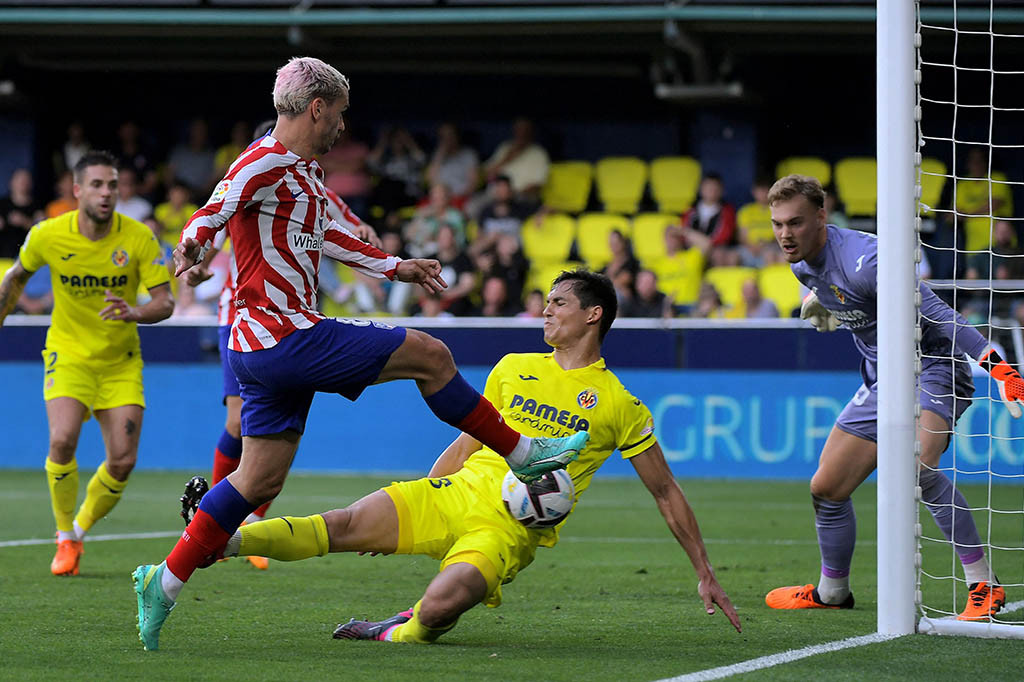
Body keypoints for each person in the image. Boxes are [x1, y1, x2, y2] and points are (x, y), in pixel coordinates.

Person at [133, 56, 587, 651]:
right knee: (429, 353)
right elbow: (215, 206)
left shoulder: (304, 175)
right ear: (316, 108)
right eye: (340, 114)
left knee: (258, 475)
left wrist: (399, 267)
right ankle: (526, 454)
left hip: (259, 348)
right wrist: (192, 246)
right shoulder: (265, 160)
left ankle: (162, 584)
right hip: (285, 334)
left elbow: (334, 238)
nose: (343, 127)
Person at [224, 270, 741, 643]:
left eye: (559, 302)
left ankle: (402, 630)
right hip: (454, 493)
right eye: (547, 301)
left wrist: (704, 570)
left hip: (509, 530)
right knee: (340, 524)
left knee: (444, 606)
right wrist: (426, 494)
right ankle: (222, 540)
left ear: (593, 313)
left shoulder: (620, 405)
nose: (546, 308)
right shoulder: (513, 366)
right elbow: (469, 439)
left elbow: (665, 491)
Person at [764, 174, 1024, 620]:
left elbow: (938, 312)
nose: (786, 234)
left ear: (823, 217)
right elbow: (839, 289)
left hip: (931, 368)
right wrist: (821, 300)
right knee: (826, 488)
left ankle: (985, 584)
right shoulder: (800, 263)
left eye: (796, 223)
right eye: (778, 224)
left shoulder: (869, 260)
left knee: (915, 466)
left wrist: (998, 367)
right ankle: (832, 592)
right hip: (883, 379)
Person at [0, 150, 174, 576]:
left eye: (113, 185)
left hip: (120, 361)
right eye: (97, 184)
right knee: (61, 440)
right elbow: (15, 276)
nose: (106, 192)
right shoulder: (47, 235)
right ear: (77, 190)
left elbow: (164, 302)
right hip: (70, 353)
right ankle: (63, 537)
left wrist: (134, 311)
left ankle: (79, 530)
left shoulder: (138, 238)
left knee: (122, 461)